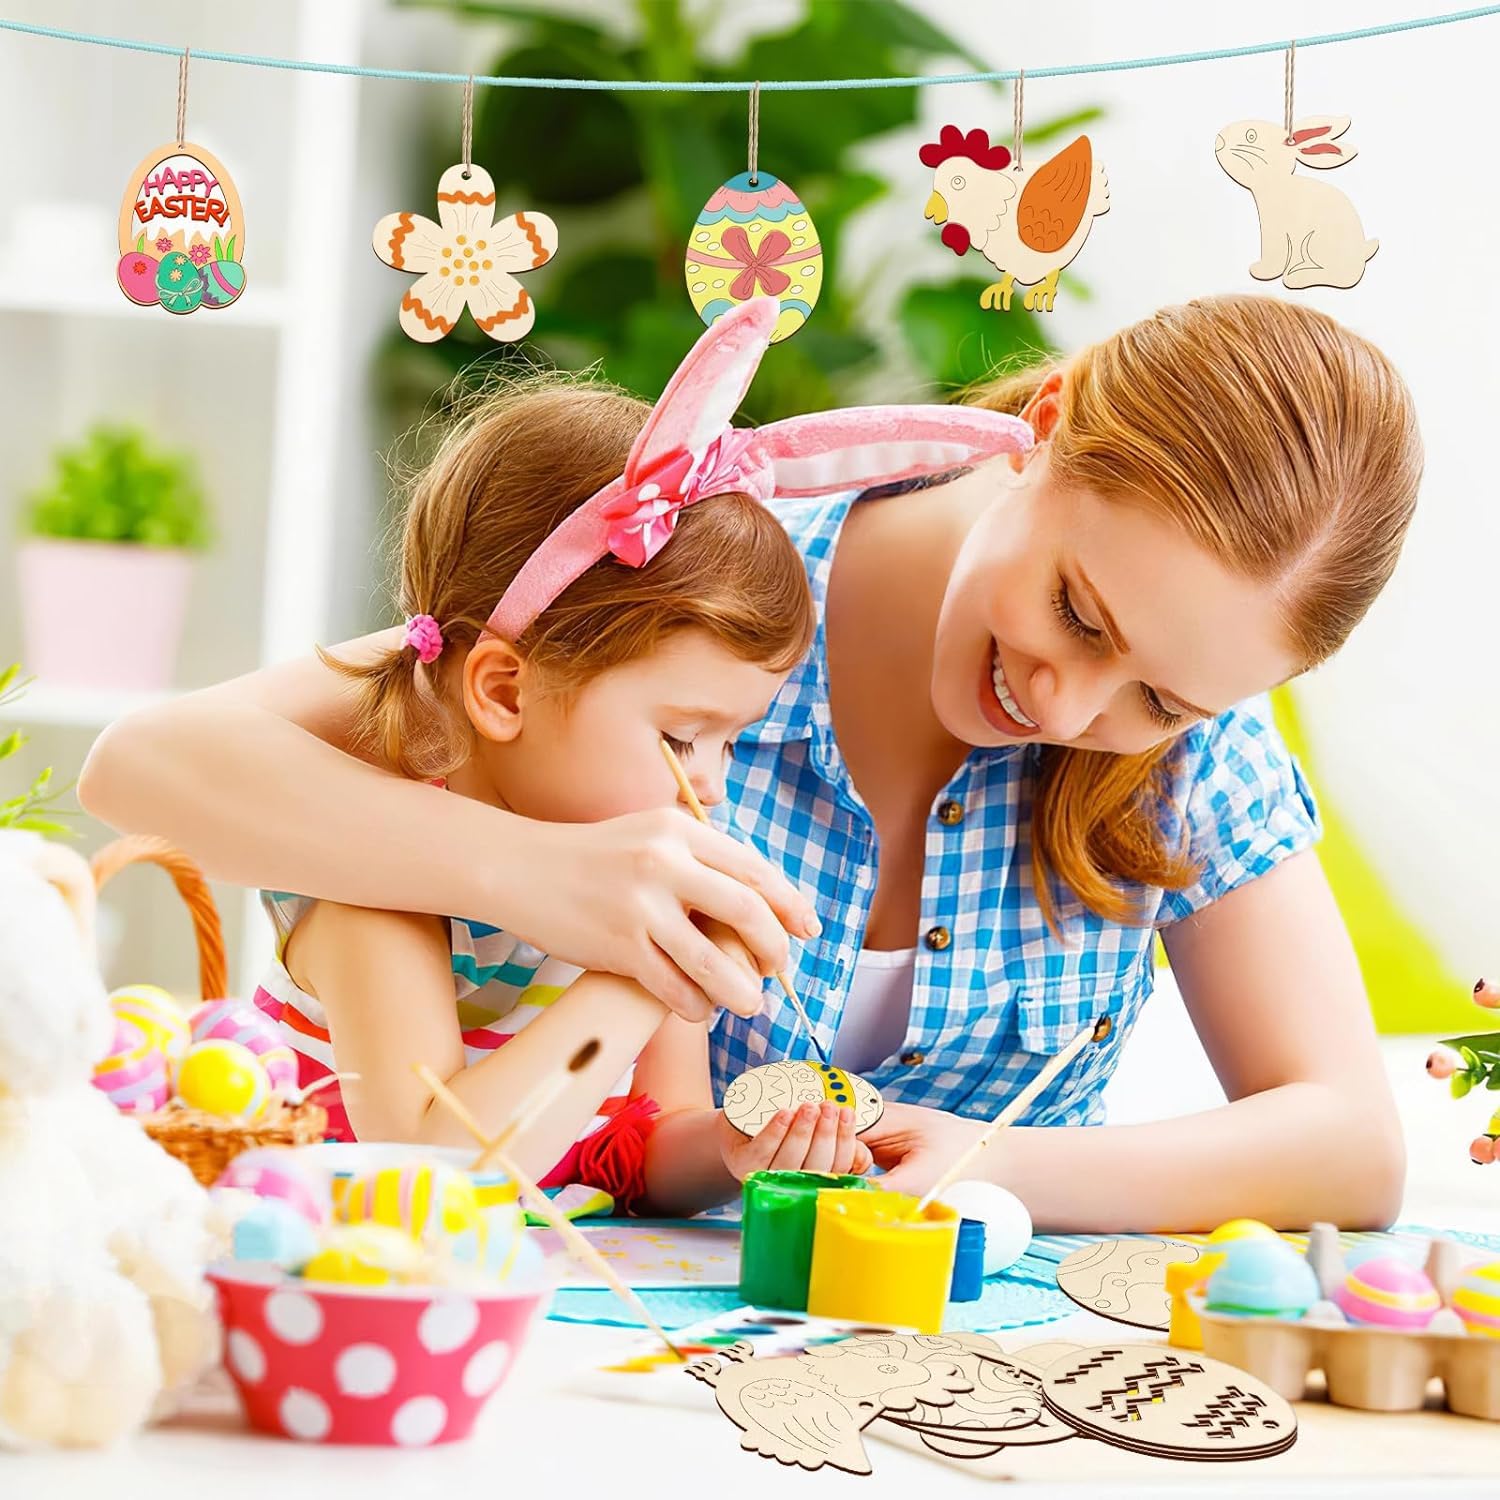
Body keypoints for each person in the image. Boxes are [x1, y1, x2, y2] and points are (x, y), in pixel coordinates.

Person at [83, 294, 1421, 1231]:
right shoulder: (711, 591)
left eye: (1163, 697)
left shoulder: (1193, 745)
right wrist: (543, 878)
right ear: (1051, 425)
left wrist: (991, 1161)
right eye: (1078, 610)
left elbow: (1350, 1145)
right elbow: (149, 765)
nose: (1076, 708)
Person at [100, 299, 1027, 1214]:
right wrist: (636, 977)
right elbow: (431, 1163)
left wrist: (740, 1148)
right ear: (504, 691)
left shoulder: (626, 858)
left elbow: (646, 1145)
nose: (707, 780)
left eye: (730, 741)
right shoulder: (372, 875)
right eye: (679, 735)